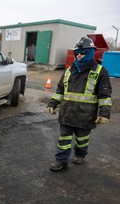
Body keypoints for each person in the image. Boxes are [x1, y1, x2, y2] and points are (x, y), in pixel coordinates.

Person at [47, 37, 112, 171]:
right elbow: (60, 90)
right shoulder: (69, 71)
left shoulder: (100, 71)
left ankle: (80, 154)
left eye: (82, 52)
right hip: (67, 113)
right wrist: (53, 103)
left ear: (90, 52)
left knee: (82, 139)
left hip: (85, 115)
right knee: (63, 139)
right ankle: (61, 160)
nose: (78, 55)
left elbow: (104, 96)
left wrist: (104, 114)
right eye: (77, 53)